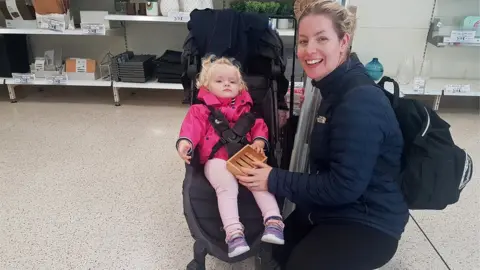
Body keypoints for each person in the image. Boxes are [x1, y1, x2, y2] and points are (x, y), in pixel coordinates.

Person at [236, 1, 409, 269]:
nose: (309, 50)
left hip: (369, 220)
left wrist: (272, 178)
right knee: (272, 252)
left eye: (322, 38)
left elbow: (344, 186)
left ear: (343, 42)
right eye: (303, 41)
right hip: (332, 209)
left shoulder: (359, 102)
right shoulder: (334, 88)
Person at [175, 55, 285, 258]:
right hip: (216, 160)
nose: (226, 84)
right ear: (206, 86)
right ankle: (234, 233)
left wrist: (259, 141)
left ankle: (274, 221)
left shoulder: (248, 111)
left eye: (232, 81)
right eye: (219, 81)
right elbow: (191, 128)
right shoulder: (200, 111)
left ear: (240, 86)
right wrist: (185, 142)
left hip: (244, 156)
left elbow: (259, 128)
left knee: (260, 181)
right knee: (227, 187)